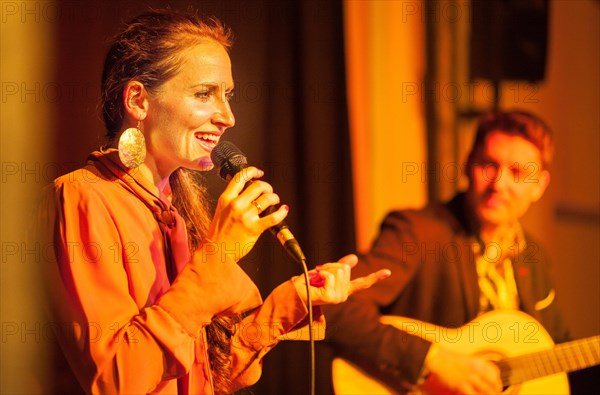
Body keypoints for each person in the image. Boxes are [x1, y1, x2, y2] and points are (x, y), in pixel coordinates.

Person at [35, 10, 390, 395]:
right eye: (204, 94)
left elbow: (206, 376)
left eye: (228, 95)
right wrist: (219, 254)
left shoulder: (180, 209)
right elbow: (118, 379)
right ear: (138, 100)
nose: (228, 117)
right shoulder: (83, 198)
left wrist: (294, 301)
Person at [324, 110, 570, 394]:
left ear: (539, 185)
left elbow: (560, 348)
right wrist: (430, 360)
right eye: (488, 165)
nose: (498, 184)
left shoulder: (535, 257)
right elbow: (335, 306)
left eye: (517, 172)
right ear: (467, 165)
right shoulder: (417, 232)